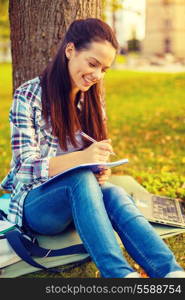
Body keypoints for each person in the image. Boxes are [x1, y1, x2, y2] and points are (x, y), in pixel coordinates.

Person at [1, 18, 185, 278]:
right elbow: (23, 169)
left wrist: (99, 168)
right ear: (70, 51)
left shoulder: (92, 99)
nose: (97, 75)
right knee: (79, 177)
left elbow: (91, 161)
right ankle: (118, 275)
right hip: (36, 206)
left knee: (115, 195)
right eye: (92, 63)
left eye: (104, 69)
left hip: (80, 198)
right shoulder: (28, 96)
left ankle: (171, 274)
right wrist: (81, 161)